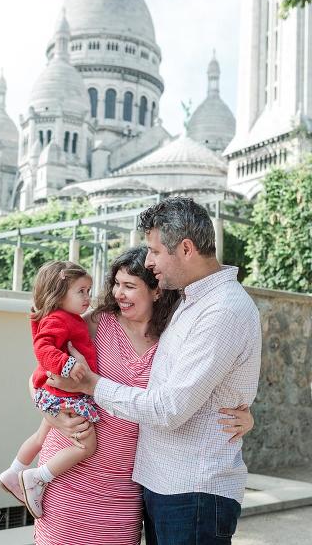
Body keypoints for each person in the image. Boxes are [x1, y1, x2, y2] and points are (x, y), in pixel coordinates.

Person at [49, 198, 261, 545]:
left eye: (155, 251)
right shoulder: (192, 301)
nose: (148, 261)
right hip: (162, 487)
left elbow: (169, 408)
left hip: (193, 493)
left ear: (186, 248)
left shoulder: (223, 310)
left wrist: (92, 385)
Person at [0, 261, 100, 519]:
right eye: (81, 291)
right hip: (64, 394)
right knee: (86, 445)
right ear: (59, 292)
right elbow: (42, 348)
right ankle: (37, 478)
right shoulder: (59, 320)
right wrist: (67, 364)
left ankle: (12, 472)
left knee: (41, 437)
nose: (88, 297)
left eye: (89, 290)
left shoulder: (59, 317)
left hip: (49, 393)